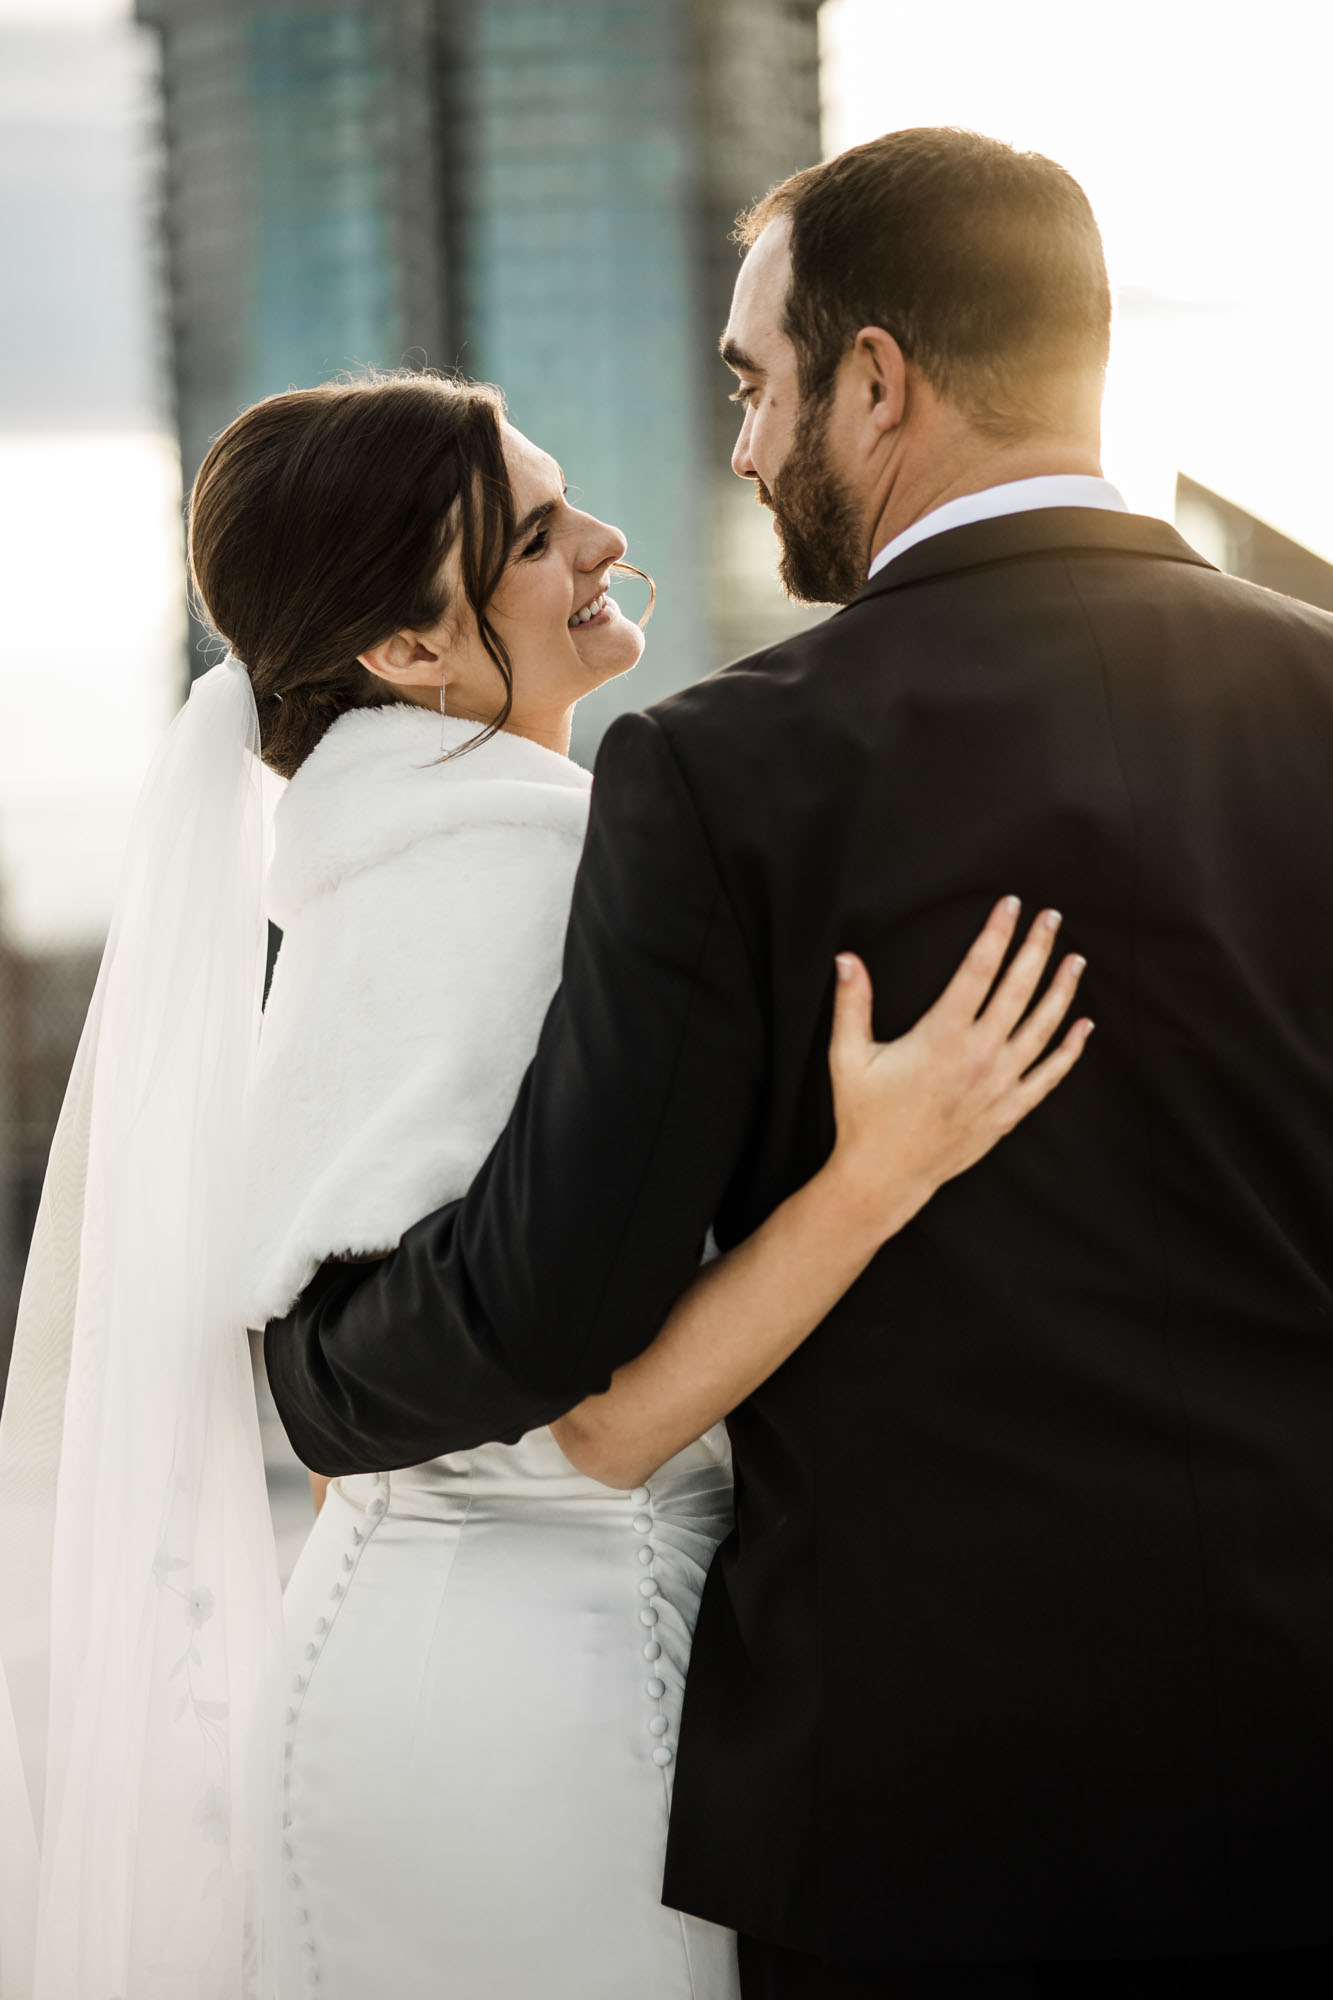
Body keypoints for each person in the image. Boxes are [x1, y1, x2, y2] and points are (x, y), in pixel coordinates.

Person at [264, 129, 1333, 1997]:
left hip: (910, 1808)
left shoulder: (723, 767)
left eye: (754, 385)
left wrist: (311, 1371)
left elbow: (559, 1317)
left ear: (875, 380)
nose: (745, 450)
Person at [0, 366, 1087, 2000]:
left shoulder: (376, 881)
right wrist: (882, 1166)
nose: (601, 542)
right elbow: (590, 1415)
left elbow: (395, 1366)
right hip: (552, 1698)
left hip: (403, 1659)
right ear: (406, 651)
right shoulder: (520, 878)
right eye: (530, 536)